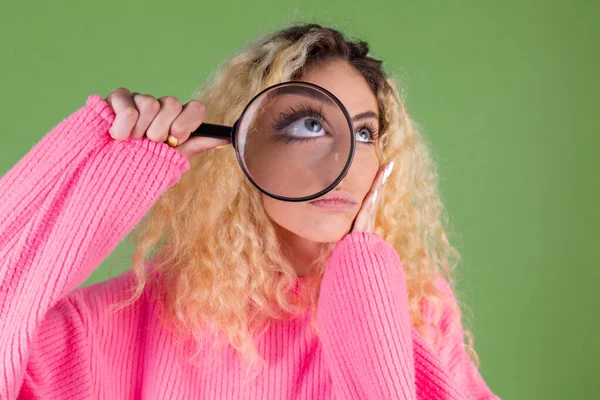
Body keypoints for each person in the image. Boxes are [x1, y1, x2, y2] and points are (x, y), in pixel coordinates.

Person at [0, 23, 500, 399]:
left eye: (365, 133)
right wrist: (92, 162)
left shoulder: (418, 310)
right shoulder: (115, 324)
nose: (343, 163)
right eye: (308, 125)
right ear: (243, 147)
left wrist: (365, 295)